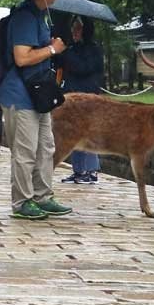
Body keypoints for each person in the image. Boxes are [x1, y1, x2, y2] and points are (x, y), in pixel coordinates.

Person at [0, 0, 72, 220]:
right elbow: (21, 58)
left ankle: (42, 196)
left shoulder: (40, 17)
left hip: (38, 93)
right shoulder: (24, 17)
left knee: (46, 147)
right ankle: (22, 202)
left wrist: (47, 45)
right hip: (20, 95)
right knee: (25, 151)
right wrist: (52, 49)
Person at [59, 16, 105, 184]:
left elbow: (83, 68)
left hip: (88, 98)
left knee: (89, 134)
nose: (74, 32)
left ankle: (91, 171)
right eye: (73, 28)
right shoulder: (72, 48)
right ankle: (78, 170)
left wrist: (67, 55)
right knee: (73, 134)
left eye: (78, 28)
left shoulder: (93, 50)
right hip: (72, 98)